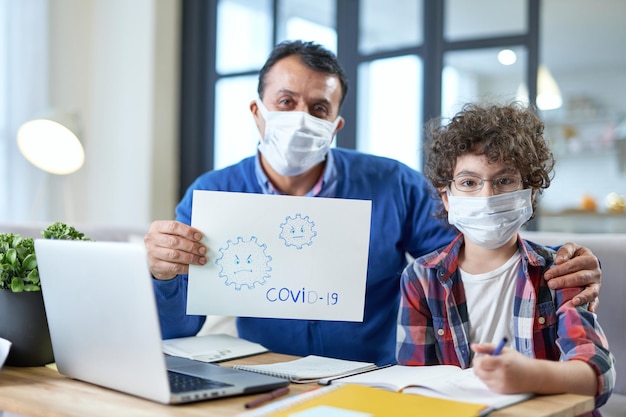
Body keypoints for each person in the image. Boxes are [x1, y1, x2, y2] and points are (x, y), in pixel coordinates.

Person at [145, 40, 602, 366]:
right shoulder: (212, 193)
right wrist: (162, 273)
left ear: (336, 123)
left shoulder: (391, 183)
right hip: (265, 373)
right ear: (256, 111)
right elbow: (178, 328)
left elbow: (474, 250)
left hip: (373, 375)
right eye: (285, 101)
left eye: (319, 108)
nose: (300, 118)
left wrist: (559, 267)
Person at [396, 103, 614, 413]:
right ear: (446, 197)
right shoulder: (420, 278)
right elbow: (413, 386)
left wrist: (530, 375)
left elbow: (600, 376)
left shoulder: (561, 271)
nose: (487, 197)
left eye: (504, 181)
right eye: (469, 183)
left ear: (531, 192)